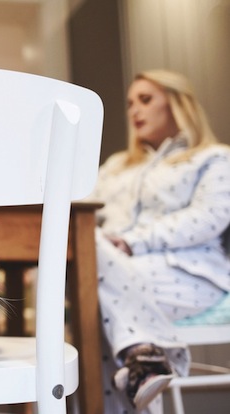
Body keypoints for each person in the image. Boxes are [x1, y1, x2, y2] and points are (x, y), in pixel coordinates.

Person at [90, 69, 230, 413]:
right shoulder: (116, 166)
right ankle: (142, 359)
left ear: (177, 105)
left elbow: (209, 217)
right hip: (112, 271)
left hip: (189, 274)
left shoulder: (214, 157)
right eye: (130, 103)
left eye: (146, 99)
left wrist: (130, 241)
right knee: (87, 255)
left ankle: (144, 357)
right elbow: (81, 216)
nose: (134, 110)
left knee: (92, 294)